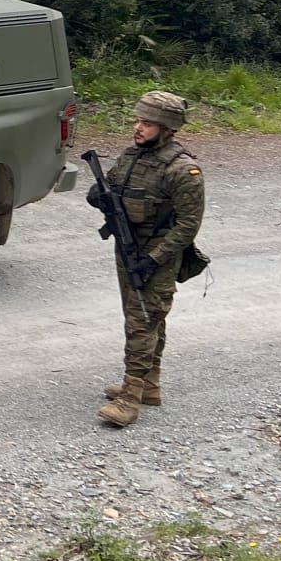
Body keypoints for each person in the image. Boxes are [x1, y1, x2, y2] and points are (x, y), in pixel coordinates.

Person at [91, 89, 204, 428]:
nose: (138, 128)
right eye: (137, 120)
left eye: (147, 123)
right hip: (128, 251)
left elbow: (188, 225)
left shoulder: (183, 170)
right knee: (148, 318)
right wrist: (99, 197)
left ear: (167, 128)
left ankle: (130, 398)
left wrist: (154, 259)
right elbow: (111, 187)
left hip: (156, 257)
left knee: (141, 321)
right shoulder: (132, 157)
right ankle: (149, 385)